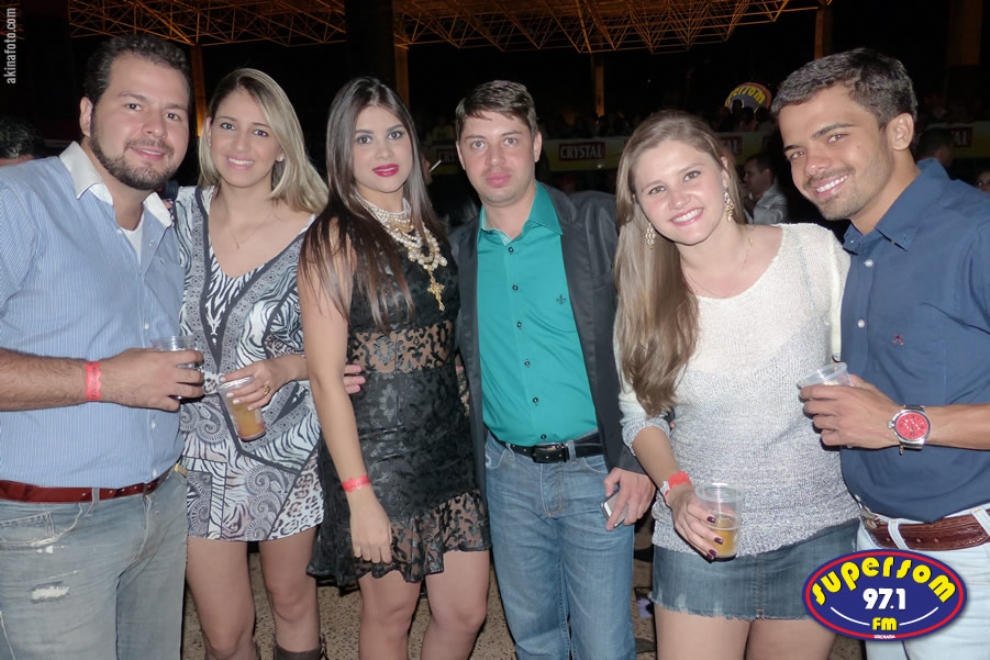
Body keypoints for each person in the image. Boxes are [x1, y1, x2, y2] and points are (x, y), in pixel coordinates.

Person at [613, 110, 857, 660]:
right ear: (641, 207)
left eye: (690, 175)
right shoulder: (644, 298)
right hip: (702, 532)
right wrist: (676, 491)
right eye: (656, 188)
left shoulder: (811, 251)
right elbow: (641, 415)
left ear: (724, 173)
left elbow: (863, 365)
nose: (678, 198)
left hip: (818, 526)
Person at [776, 48, 990, 659]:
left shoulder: (975, 234)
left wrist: (902, 423)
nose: (811, 165)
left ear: (898, 130)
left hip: (970, 557)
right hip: (877, 551)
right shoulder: (854, 248)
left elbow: (892, 418)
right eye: (795, 151)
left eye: (833, 136)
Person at [0, 35, 202, 660]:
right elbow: (120, 375)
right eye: (134, 105)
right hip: (46, 526)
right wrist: (103, 380)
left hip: (159, 510)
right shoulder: (18, 201)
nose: (156, 129)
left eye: (173, 113)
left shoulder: (168, 230)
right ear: (87, 114)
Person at [449, 80, 655, 660]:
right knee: (535, 640)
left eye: (510, 140)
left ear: (537, 144)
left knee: (604, 646)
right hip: (507, 475)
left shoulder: (598, 223)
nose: (495, 158)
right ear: (460, 154)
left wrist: (637, 457)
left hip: (598, 472)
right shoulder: (457, 251)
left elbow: (652, 340)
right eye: (478, 143)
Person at [299, 77, 491, 660]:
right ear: (341, 151)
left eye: (394, 134)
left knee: (466, 613)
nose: (383, 151)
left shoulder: (429, 226)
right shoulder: (334, 237)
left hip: (448, 447)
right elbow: (325, 378)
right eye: (364, 139)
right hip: (379, 458)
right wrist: (359, 497)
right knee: (390, 616)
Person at [173, 68, 329, 660]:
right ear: (208, 132)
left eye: (261, 131)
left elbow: (347, 344)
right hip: (196, 450)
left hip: (287, 444)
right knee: (224, 631)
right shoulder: (175, 216)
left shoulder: (318, 229)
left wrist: (284, 368)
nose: (241, 145)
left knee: (290, 599)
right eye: (229, 126)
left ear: (283, 146)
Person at [741, 151, 790, 225]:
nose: (745, 178)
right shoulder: (746, 195)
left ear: (766, 174)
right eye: (744, 174)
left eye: (749, 174)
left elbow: (770, 220)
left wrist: (745, 200)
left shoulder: (780, 198)